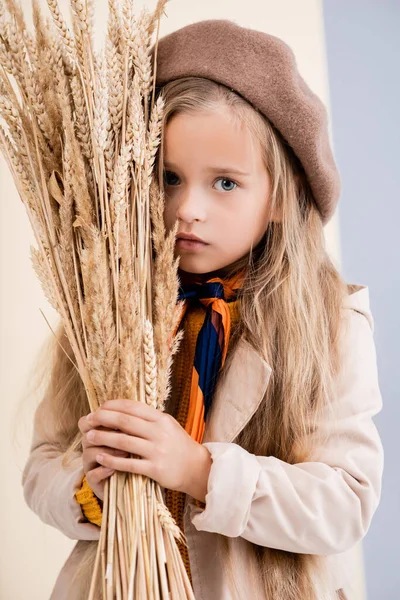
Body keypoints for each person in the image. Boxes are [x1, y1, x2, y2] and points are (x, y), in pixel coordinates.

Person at [21, 19, 384, 600]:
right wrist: (89, 487)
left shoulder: (327, 321)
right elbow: (41, 465)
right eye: (168, 178)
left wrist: (198, 471)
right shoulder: (106, 308)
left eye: (225, 183)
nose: (187, 208)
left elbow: (345, 502)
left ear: (280, 200)